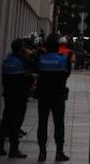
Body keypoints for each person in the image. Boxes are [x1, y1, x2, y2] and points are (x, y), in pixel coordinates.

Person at [34, 33, 71, 161]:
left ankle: (42, 153)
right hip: (58, 95)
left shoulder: (40, 58)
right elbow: (67, 73)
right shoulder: (63, 59)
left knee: (42, 123)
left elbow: (35, 70)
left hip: (43, 96)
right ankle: (59, 152)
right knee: (59, 124)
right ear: (58, 45)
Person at [0, 39, 32, 157]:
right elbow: (27, 77)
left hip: (8, 95)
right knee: (16, 123)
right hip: (19, 96)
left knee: (5, 120)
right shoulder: (21, 61)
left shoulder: (8, 60)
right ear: (21, 49)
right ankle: (13, 149)